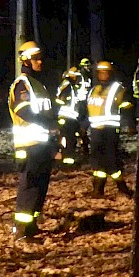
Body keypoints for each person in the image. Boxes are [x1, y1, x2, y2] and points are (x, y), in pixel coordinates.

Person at [8, 40, 57, 239]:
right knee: (29, 188)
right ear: (25, 60)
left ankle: (32, 225)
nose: (40, 62)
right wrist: (48, 124)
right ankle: (21, 230)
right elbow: (24, 111)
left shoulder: (39, 85)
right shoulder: (22, 84)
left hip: (43, 144)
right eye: (36, 58)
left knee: (40, 187)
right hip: (30, 144)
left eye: (40, 58)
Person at [86, 60, 132, 198]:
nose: (103, 75)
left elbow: (127, 107)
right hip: (95, 131)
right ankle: (98, 189)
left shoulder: (118, 89)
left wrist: (130, 123)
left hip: (109, 131)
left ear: (110, 73)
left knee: (111, 161)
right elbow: (87, 110)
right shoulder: (93, 90)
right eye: (100, 72)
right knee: (97, 161)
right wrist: (83, 127)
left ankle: (121, 188)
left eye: (105, 72)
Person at [55, 65, 86, 166]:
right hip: (66, 116)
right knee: (68, 138)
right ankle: (66, 160)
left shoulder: (71, 86)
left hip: (69, 117)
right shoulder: (67, 84)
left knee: (68, 138)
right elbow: (60, 99)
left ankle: (65, 159)